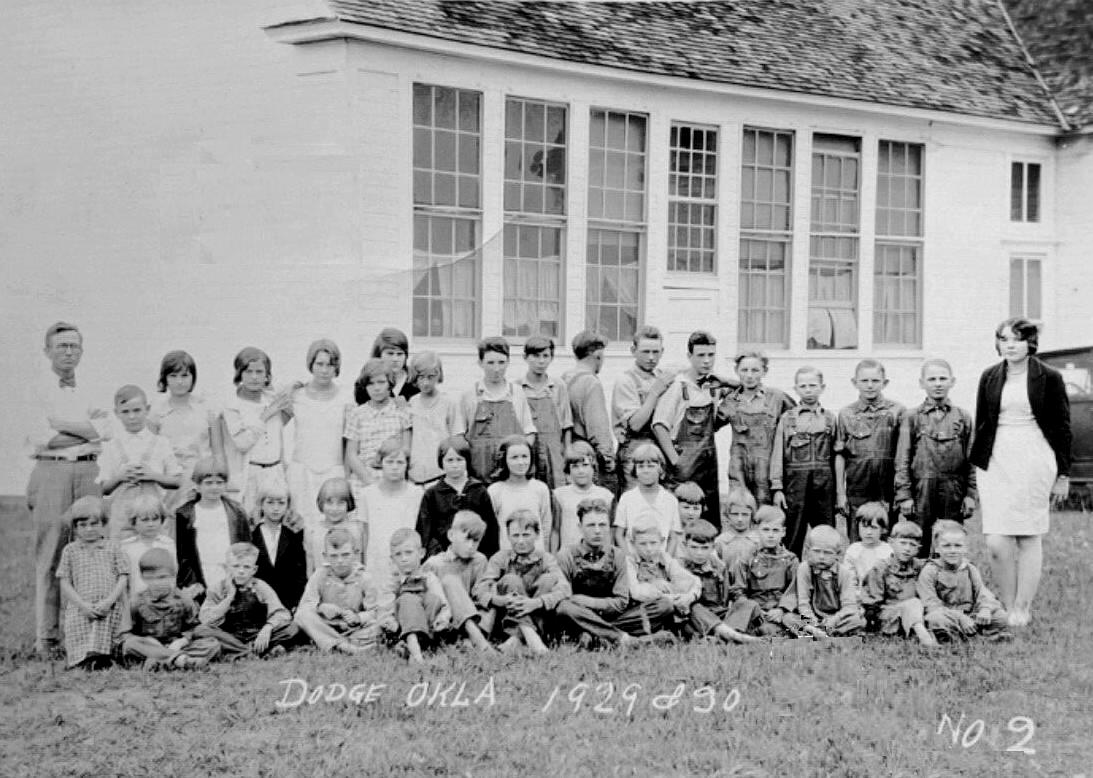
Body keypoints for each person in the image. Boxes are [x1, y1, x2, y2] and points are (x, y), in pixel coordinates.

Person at [970, 318, 1071, 628]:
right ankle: (1007, 602)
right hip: (997, 460)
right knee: (996, 541)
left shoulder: (1049, 377)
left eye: (1016, 339)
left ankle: (1021, 608)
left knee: (1028, 534)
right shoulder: (989, 376)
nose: (1010, 345)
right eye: (1004, 339)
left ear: (1030, 343)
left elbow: (1062, 426)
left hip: (1034, 457)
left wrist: (1063, 475)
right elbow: (982, 422)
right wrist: (977, 464)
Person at [26, 322, 110, 656]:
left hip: (90, 470)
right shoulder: (36, 389)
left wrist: (62, 426)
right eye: (61, 346)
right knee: (51, 553)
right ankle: (47, 639)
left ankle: (91, 636)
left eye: (74, 346)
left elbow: (106, 431)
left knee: (93, 550)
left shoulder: (92, 387)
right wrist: (86, 431)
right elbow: (41, 438)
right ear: (47, 351)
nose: (69, 352)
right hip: (52, 470)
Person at [553, 498, 675, 647]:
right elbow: (565, 599)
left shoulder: (618, 556)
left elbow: (621, 602)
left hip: (612, 617)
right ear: (580, 527)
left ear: (609, 527)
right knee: (564, 608)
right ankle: (626, 640)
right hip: (580, 617)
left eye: (602, 525)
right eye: (591, 525)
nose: (597, 531)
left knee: (664, 605)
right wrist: (582, 606)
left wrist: (587, 601)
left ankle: (596, 636)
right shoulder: (566, 556)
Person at [894, 359, 977, 558]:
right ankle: (919, 576)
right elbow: (902, 458)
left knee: (950, 539)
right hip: (921, 488)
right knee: (918, 540)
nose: (938, 384)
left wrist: (970, 494)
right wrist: (904, 495)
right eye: (932, 379)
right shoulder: (911, 417)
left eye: (942, 378)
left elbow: (972, 461)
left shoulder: (963, 417)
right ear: (922, 383)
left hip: (953, 488)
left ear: (952, 381)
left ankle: (949, 576)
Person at [652, 330, 730, 524]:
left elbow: (739, 388)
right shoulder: (679, 386)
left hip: (708, 464)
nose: (706, 361)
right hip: (684, 465)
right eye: (701, 355)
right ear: (689, 356)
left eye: (711, 355)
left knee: (708, 516)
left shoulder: (712, 386)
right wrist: (675, 460)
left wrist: (723, 380)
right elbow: (659, 425)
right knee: (680, 517)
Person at [474, 510, 570, 654]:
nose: (520, 541)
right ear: (508, 536)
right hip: (505, 621)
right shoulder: (500, 558)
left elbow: (565, 589)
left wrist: (537, 602)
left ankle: (517, 639)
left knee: (548, 579)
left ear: (537, 535)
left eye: (526, 535)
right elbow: (480, 590)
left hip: (541, 617)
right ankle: (529, 635)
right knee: (511, 579)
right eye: (515, 535)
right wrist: (499, 600)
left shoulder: (547, 559)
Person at [286, 339, 353, 540]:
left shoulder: (346, 397)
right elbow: (273, 424)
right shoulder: (297, 395)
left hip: (333, 471)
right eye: (319, 364)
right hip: (302, 473)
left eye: (330, 365)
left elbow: (349, 441)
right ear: (311, 364)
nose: (324, 370)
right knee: (300, 531)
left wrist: (346, 476)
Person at [97, 384, 181, 539]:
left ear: (147, 409)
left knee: (155, 552)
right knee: (122, 551)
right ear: (116, 413)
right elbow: (104, 488)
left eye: (137, 410)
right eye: (125, 411)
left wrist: (153, 475)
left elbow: (176, 481)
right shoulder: (111, 446)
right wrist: (120, 477)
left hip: (153, 520)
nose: (132, 417)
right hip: (122, 521)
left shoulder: (161, 443)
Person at [771, 367, 837, 558]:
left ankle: (824, 571)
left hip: (824, 486)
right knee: (793, 534)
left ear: (822, 387)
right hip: (795, 486)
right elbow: (778, 453)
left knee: (825, 533)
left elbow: (837, 457)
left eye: (813, 385)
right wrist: (777, 487)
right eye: (803, 386)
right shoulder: (787, 418)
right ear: (796, 389)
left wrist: (838, 492)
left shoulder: (830, 418)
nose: (808, 390)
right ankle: (791, 571)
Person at [147, 350, 225, 512]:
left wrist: (218, 483)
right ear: (165, 378)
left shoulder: (207, 409)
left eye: (184, 375)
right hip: (168, 483)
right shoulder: (156, 412)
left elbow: (218, 453)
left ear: (193, 377)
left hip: (201, 482)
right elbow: (151, 455)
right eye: (173, 376)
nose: (179, 381)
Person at [56, 496, 129, 669]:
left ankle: (102, 658)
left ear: (103, 524)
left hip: (108, 604)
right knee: (78, 625)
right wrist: (81, 605)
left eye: (94, 524)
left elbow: (123, 576)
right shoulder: (70, 550)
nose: (89, 529)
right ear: (75, 527)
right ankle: (82, 660)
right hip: (81, 605)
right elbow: (64, 581)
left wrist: (109, 601)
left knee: (105, 623)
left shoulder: (112, 547)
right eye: (83, 525)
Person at [835, 359, 904, 542]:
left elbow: (904, 454)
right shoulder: (846, 413)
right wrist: (840, 493)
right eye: (864, 381)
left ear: (885, 383)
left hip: (887, 486)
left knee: (886, 536)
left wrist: (901, 491)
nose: (870, 385)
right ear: (854, 382)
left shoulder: (897, 411)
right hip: (858, 486)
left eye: (875, 380)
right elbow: (840, 455)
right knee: (857, 535)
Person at [120, 548, 221, 670]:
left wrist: (182, 641)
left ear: (173, 575)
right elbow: (125, 634)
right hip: (149, 647)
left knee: (212, 644)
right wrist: (148, 641)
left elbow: (193, 628)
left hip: (175, 645)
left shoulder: (183, 599)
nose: (156, 583)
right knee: (130, 644)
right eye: (150, 578)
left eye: (162, 577)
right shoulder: (135, 601)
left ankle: (161, 662)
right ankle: (182, 661)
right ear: (142, 577)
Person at [194, 543, 299, 659]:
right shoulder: (217, 589)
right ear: (227, 568)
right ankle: (248, 652)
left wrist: (268, 628)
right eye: (236, 566)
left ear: (254, 570)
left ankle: (243, 651)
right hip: (229, 636)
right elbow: (206, 620)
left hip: (256, 634)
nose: (241, 571)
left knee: (292, 627)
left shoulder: (260, 586)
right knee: (201, 630)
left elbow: (281, 613)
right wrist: (229, 597)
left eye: (246, 567)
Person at [221, 347, 293, 513]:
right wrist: (265, 415)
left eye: (259, 372)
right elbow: (242, 443)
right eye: (248, 371)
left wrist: (291, 392)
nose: (254, 377)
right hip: (251, 474)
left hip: (275, 472)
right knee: (250, 519)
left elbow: (280, 425)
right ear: (240, 374)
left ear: (267, 375)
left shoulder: (271, 399)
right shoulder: (232, 405)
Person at [718, 350, 794, 507]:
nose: (749, 375)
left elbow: (796, 421)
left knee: (766, 511)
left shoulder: (776, 397)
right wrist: (717, 393)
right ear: (736, 371)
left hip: (767, 469)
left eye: (755, 370)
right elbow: (711, 425)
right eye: (744, 370)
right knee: (739, 509)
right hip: (739, 467)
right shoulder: (731, 400)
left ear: (764, 371)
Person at [293, 527, 387, 654]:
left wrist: (358, 617)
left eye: (345, 555)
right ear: (325, 556)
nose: (340, 561)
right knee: (302, 615)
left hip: (354, 629)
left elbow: (375, 611)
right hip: (327, 626)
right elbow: (305, 605)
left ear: (355, 553)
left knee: (379, 626)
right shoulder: (320, 575)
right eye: (334, 556)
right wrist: (320, 607)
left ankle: (330, 643)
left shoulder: (364, 577)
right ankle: (347, 647)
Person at [917, 522, 1011, 642]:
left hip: (970, 614)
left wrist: (985, 609)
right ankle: (979, 638)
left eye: (958, 546)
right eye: (946, 546)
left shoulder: (969, 568)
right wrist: (960, 618)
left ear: (965, 548)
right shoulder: (930, 571)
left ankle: (967, 635)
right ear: (937, 548)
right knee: (935, 619)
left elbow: (982, 593)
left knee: (1001, 616)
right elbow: (930, 605)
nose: (952, 551)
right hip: (947, 615)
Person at [461, 337, 537, 483]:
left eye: (501, 362)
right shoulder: (469, 395)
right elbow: (460, 437)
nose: (496, 369)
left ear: (508, 362)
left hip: (511, 476)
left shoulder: (517, 393)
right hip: (478, 475)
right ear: (480, 363)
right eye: (490, 363)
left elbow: (529, 433)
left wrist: (519, 461)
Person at [175, 457, 251, 601]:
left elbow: (246, 547)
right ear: (197, 485)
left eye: (219, 483)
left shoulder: (236, 512)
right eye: (208, 483)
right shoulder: (185, 514)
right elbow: (183, 555)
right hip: (201, 576)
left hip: (230, 574)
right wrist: (192, 582)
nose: (214, 487)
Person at [612, 326, 675, 495]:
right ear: (633, 351)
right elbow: (635, 424)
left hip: (661, 448)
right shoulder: (626, 380)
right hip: (635, 450)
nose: (651, 357)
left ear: (662, 351)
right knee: (635, 499)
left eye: (656, 352)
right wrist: (655, 392)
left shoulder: (663, 376)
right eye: (646, 352)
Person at [422, 510, 496, 652]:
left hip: (476, 621)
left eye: (475, 541)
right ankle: (480, 644)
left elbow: (481, 595)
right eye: (466, 539)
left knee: (493, 588)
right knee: (449, 580)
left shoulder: (479, 560)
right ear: (451, 535)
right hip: (445, 622)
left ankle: (469, 640)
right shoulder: (434, 563)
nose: (471, 546)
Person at [677, 519, 761, 644]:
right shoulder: (678, 567)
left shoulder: (719, 567)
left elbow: (725, 599)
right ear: (685, 545)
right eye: (694, 547)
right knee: (694, 607)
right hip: (694, 618)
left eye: (705, 548)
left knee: (748, 604)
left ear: (713, 547)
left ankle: (724, 636)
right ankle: (735, 637)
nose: (699, 553)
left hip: (719, 615)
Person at [416, 437, 500, 560]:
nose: (455, 465)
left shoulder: (479, 491)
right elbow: (425, 532)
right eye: (450, 460)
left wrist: (487, 557)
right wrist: (437, 555)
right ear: (441, 462)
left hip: (475, 556)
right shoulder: (432, 494)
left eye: (459, 460)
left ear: (467, 461)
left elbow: (491, 530)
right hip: (444, 559)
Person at [726, 506, 800, 638]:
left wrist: (781, 609)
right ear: (756, 530)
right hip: (755, 609)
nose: (770, 535)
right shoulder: (746, 557)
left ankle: (810, 633)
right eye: (766, 530)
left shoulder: (790, 560)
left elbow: (794, 590)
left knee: (791, 621)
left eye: (775, 530)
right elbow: (738, 590)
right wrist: (754, 609)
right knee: (747, 618)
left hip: (779, 611)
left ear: (783, 532)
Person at [358, 438, 424, 584]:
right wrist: (363, 567)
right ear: (381, 463)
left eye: (400, 462)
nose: (395, 467)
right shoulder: (367, 494)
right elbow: (364, 535)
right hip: (376, 565)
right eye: (389, 462)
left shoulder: (416, 493)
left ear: (407, 465)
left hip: (407, 565)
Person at [860, 521, 937, 647]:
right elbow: (872, 604)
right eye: (903, 543)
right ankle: (925, 639)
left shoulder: (921, 567)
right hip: (890, 618)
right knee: (913, 603)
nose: (907, 549)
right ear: (891, 542)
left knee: (922, 607)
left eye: (912, 545)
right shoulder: (880, 569)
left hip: (917, 614)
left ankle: (922, 630)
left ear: (918, 548)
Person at [345, 358, 411, 500]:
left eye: (381, 382)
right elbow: (351, 454)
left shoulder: (401, 410)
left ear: (390, 384)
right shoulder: (357, 414)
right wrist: (370, 483)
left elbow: (406, 448)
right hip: (363, 480)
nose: (376, 388)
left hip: (393, 477)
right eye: (371, 383)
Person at [382, 528, 451, 663]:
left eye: (408, 552)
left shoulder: (429, 578)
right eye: (398, 554)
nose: (404, 559)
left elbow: (444, 604)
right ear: (392, 559)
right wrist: (390, 622)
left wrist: (443, 618)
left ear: (421, 553)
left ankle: (419, 646)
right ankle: (415, 653)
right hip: (401, 629)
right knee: (408, 599)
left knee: (433, 598)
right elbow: (385, 608)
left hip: (428, 629)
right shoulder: (393, 582)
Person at [785, 525, 866, 638]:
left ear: (837, 554)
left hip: (836, 618)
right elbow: (803, 603)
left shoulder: (844, 573)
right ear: (808, 550)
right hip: (812, 618)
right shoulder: (804, 569)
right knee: (788, 618)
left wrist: (833, 620)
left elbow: (849, 606)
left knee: (857, 620)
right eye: (816, 551)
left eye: (827, 553)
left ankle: (815, 634)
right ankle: (818, 632)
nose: (821, 557)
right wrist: (813, 622)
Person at [562, 330, 617, 495]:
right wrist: (608, 459)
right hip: (587, 455)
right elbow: (598, 428)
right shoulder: (591, 382)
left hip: (569, 454)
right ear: (597, 355)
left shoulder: (565, 378)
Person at [625, 515, 700, 634]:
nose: (649, 549)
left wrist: (690, 596)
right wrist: (665, 593)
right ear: (633, 544)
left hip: (670, 608)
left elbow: (693, 581)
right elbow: (636, 592)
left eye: (653, 543)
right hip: (643, 612)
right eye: (643, 544)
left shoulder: (665, 558)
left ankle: (717, 632)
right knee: (666, 605)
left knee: (695, 607)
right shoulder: (629, 562)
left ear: (662, 541)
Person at [406, 351, 465, 486]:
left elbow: (457, 439)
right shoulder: (412, 403)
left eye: (431, 377)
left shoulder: (448, 403)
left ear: (438, 375)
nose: (426, 382)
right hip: (416, 472)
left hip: (441, 473)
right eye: (421, 377)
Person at [521, 337, 573, 490]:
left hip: (554, 452)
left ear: (552, 358)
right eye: (536, 356)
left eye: (545, 356)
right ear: (525, 357)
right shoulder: (517, 387)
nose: (541, 361)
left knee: (556, 491)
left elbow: (566, 424)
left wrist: (567, 454)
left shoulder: (558, 386)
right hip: (527, 451)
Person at [488, 435, 554, 551]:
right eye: (514, 457)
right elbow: (491, 530)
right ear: (504, 460)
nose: (521, 462)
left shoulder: (540, 488)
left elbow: (546, 525)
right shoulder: (495, 491)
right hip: (507, 555)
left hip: (536, 555)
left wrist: (545, 554)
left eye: (525, 456)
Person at [613, 443, 682, 554]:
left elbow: (673, 537)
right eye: (640, 466)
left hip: (660, 559)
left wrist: (666, 559)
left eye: (651, 466)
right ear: (635, 470)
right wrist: (629, 557)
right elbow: (619, 534)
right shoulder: (627, 498)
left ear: (660, 469)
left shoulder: (670, 500)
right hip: (634, 558)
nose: (646, 470)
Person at [251, 480, 308, 611]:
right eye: (270, 502)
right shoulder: (252, 535)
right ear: (261, 504)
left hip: (287, 603)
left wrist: (295, 603)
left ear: (288, 505)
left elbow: (299, 574)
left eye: (281, 503)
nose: (276, 508)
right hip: (258, 603)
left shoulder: (294, 535)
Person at [552, 441, 614, 550]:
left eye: (585, 465)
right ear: (568, 470)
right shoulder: (560, 495)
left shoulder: (605, 495)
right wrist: (554, 556)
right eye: (575, 466)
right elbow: (555, 531)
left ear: (593, 467)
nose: (581, 471)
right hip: (568, 556)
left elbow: (610, 531)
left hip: (597, 555)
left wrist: (608, 555)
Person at [119, 493, 177, 598]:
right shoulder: (126, 547)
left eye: (155, 519)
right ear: (134, 522)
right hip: (136, 600)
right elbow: (123, 581)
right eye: (145, 520)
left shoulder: (169, 545)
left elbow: (174, 576)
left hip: (164, 600)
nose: (151, 524)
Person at [309, 476, 367, 571]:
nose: (334, 508)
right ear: (321, 503)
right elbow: (311, 565)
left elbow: (359, 564)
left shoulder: (356, 530)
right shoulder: (314, 531)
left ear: (349, 504)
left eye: (340, 503)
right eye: (329, 503)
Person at [843, 503, 893, 584]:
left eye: (874, 528)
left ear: (883, 529)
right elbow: (849, 577)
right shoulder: (853, 550)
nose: (869, 532)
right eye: (864, 527)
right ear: (858, 526)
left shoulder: (887, 551)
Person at [714, 486, 760, 569]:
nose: (740, 519)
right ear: (728, 515)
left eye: (745, 514)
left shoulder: (758, 541)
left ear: (752, 515)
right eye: (735, 514)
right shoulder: (720, 542)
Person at [371, 327, 417, 404]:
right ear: (379, 355)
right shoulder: (369, 381)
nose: (395, 359)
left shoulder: (415, 380)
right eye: (390, 353)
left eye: (400, 354)